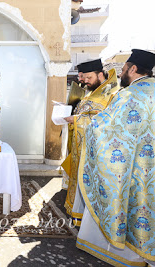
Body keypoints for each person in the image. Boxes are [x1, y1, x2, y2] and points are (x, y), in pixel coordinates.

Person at [76, 49, 155, 266]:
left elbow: (106, 129)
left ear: (134, 69)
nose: (120, 73)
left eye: (124, 69)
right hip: (150, 167)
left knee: (123, 196)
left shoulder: (128, 95)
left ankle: (118, 251)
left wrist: (88, 125)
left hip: (130, 166)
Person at [62, 59, 120, 226]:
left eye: (88, 77)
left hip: (97, 151)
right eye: (83, 77)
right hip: (82, 145)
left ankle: (89, 223)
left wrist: (76, 119)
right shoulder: (93, 90)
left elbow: (106, 121)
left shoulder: (112, 93)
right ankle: (77, 214)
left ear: (100, 74)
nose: (84, 81)